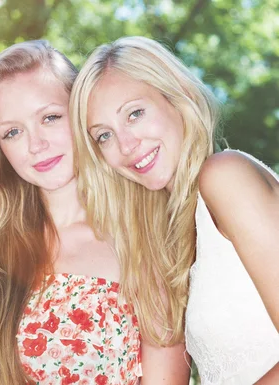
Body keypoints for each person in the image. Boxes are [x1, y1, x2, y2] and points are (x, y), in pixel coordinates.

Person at [0, 39, 189, 385]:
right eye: (12, 132)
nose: (35, 144)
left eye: (50, 117)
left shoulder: (143, 234)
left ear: (80, 113)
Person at [70, 35, 279, 384]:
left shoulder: (225, 176)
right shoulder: (180, 232)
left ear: (177, 97)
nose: (125, 145)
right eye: (104, 135)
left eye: (135, 114)